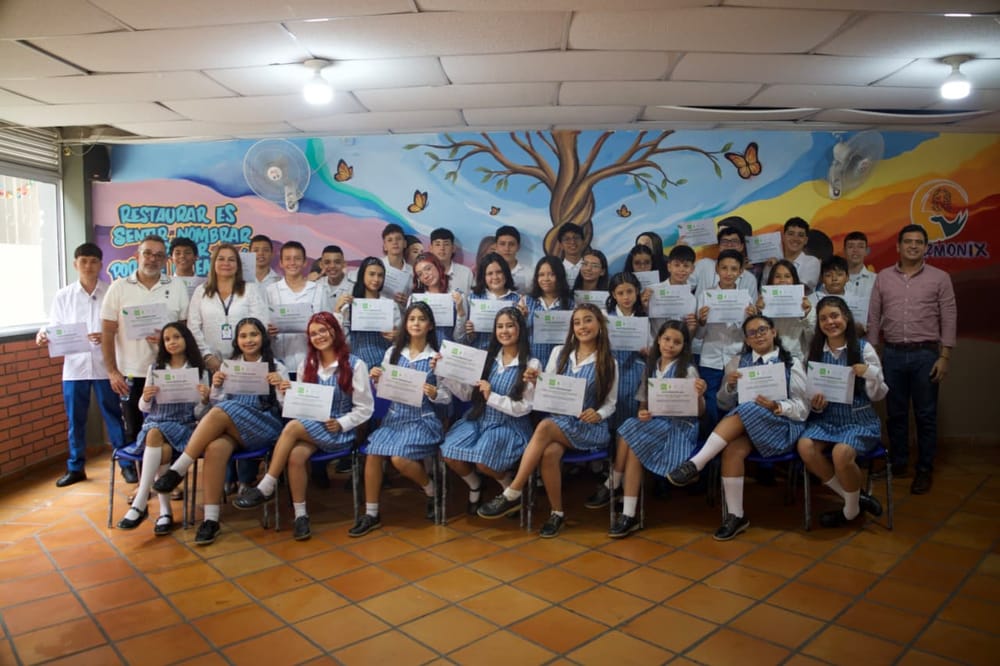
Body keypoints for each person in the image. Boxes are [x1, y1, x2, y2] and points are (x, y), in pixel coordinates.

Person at [478, 303, 619, 538]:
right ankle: (557, 513)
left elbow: (611, 403)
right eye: (577, 322)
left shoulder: (608, 362)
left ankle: (513, 492)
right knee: (549, 453)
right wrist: (536, 380)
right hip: (561, 422)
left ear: (600, 325)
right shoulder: (559, 353)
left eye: (588, 320)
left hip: (588, 426)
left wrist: (599, 414)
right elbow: (548, 389)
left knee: (544, 426)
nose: (582, 326)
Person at [667, 314, 809, 541]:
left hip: (781, 427)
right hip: (749, 429)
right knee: (732, 449)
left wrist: (777, 406)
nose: (758, 336)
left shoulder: (792, 363)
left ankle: (697, 463)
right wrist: (730, 387)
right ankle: (736, 515)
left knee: (748, 407)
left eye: (762, 330)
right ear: (746, 339)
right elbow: (724, 404)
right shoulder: (737, 362)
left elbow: (803, 407)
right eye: (752, 333)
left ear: (773, 332)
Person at [234, 312, 374, 540]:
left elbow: (365, 408)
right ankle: (301, 516)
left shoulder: (356, 365)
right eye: (313, 333)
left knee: (292, 428)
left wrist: (341, 423)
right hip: (312, 426)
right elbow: (300, 406)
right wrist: (285, 392)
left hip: (338, 430)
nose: (319, 336)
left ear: (335, 331)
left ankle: (267, 484)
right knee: (295, 456)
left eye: (323, 330)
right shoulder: (306, 364)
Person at [152, 317, 289, 545]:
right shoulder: (229, 366)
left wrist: (280, 387)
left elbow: (286, 409)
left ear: (263, 337)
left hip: (264, 425)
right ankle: (211, 519)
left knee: (223, 411)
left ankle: (180, 467)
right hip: (233, 426)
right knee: (215, 447)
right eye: (243, 336)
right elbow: (216, 403)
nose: (248, 340)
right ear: (236, 340)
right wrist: (216, 386)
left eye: (254, 334)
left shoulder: (277, 366)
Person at [587, 321, 706, 537]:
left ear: (684, 346)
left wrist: (699, 395)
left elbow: (698, 413)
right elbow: (643, 403)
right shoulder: (651, 366)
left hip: (679, 428)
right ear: (658, 340)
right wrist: (643, 412)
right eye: (666, 339)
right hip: (655, 424)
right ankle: (628, 514)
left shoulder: (687, 370)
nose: (670, 345)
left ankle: (614, 481)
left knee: (629, 429)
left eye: (677, 342)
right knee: (634, 443)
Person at [349, 302, 452, 537]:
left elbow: (447, 397)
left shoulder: (437, 357)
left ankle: (431, 490)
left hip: (423, 420)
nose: (416, 323)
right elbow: (385, 390)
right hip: (394, 418)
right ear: (405, 324)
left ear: (430, 325)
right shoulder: (393, 353)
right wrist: (377, 379)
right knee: (373, 452)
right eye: (412, 319)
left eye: (421, 319)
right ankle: (371, 513)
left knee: (399, 458)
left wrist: (435, 393)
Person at [868, 224, 957, 495]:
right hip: (892, 354)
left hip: (926, 355)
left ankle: (924, 469)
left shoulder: (940, 278)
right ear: (898, 246)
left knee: (925, 415)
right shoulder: (883, 277)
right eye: (908, 241)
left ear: (926, 247)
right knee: (895, 414)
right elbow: (874, 316)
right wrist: (872, 354)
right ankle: (898, 463)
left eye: (919, 242)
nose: (913, 246)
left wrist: (944, 356)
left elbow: (949, 316)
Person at [101, 234, 190, 484]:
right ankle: (143, 485)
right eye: (147, 253)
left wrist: (167, 337)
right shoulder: (119, 287)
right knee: (134, 429)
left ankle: (168, 483)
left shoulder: (176, 286)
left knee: (170, 429)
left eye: (159, 255)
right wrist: (112, 371)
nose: (152, 259)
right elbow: (107, 331)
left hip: (168, 372)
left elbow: (184, 328)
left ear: (165, 260)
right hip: (131, 373)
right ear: (137, 255)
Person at [37, 243, 126, 487]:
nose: (88, 266)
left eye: (93, 261)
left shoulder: (111, 292)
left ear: (101, 264)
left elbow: (122, 326)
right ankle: (75, 467)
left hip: (105, 366)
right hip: (74, 368)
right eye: (83, 261)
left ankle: (126, 464)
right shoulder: (63, 295)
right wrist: (44, 333)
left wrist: (106, 335)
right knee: (75, 419)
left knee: (114, 415)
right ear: (75, 264)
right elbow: (54, 325)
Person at [438, 307, 540, 514]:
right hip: (480, 419)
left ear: (520, 329)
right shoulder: (486, 358)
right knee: (448, 451)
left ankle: (510, 490)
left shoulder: (532, 363)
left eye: (510, 326)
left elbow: (524, 407)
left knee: (484, 460)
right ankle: (475, 484)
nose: (504, 331)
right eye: (500, 326)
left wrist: (491, 396)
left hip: (510, 424)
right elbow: (467, 395)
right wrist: (443, 372)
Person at [798, 297, 888, 527]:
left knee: (841, 454)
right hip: (826, 418)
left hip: (858, 419)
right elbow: (810, 394)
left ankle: (849, 510)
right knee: (805, 447)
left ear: (845, 317)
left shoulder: (863, 348)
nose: (830, 322)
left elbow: (879, 394)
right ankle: (856, 499)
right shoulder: (814, 351)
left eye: (835, 316)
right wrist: (816, 403)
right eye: (823, 318)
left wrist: (869, 373)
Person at [116, 322, 210, 534]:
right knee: (158, 441)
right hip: (156, 421)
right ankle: (164, 512)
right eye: (167, 339)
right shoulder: (155, 369)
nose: (172, 342)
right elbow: (144, 408)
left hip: (183, 425)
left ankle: (142, 503)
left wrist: (205, 400)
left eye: (176, 337)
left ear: (186, 339)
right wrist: (145, 397)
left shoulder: (199, 371)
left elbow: (199, 415)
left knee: (156, 436)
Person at [694, 249, 756, 425]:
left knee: (733, 400)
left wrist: (751, 318)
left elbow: (748, 334)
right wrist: (702, 321)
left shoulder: (745, 297)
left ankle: (727, 436)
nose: (729, 273)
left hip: (736, 357)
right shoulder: (705, 296)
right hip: (710, 357)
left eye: (734, 269)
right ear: (717, 269)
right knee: (710, 403)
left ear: (741, 271)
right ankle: (711, 437)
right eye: (724, 268)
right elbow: (699, 336)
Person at [188, 244, 267, 374]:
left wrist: (243, 357)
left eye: (231, 259)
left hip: (245, 362)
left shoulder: (250, 290)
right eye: (221, 259)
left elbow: (261, 324)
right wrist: (207, 356)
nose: (226, 263)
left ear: (238, 265)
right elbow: (193, 327)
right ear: (213, 263)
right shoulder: (201, 291)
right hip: (210, 364)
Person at [605, 272, 649, 431]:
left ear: (637, 291)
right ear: (613, 295)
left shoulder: (644, 318)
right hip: (610, 370)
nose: (626, 297)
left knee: (630, 417)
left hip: (636, 372)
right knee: (609, 412)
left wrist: (648, 352)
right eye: (620, 293)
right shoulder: (605, 317)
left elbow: (653, 347)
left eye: (629, 291)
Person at [265, 241, 316, 374]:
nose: (292, 263)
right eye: (287, 259)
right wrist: (267, 330)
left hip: (313, 362)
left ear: (305, 262)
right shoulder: (270, 291)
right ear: (281, 263)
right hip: (280, 363)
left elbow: (329, 325)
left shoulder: (318, 290)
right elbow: (263, 325)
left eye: (297, 258)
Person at [340, 257, 399, 371]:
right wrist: (338, 309)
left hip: (385, 364)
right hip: (357, 365)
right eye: (371, 274)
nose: (376, 279)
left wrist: (396, 336)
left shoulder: (390, 305)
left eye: (380, 275)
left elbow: (399, 337)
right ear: (362, 275)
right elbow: (343, 338)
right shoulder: (351, 305)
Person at [520, 256, 574, 366]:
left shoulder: (571, 305)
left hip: (559, 364)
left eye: (551, 274)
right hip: (530, 363)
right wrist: (521, 319)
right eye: (541, 275)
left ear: (560, 276)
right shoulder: (526, 301)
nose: (546, 279)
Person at [756, 259, 814, 360]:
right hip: (768, 356)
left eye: (787, 276)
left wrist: (806, 316)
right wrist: (759, 313)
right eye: (777, 276)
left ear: (794, 280)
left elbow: (812, 338)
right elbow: (756, 335)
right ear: (771, 280)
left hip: (795, 358)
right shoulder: (762, 303)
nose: (782, 280)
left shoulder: (806, 304)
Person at [463, 252, 518, 349]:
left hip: (507, 354)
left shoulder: (517, 300)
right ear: (483, 277)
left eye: (499, 272)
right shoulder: (472, 299)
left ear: (506, 273)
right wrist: (469, 333)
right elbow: (463, 337)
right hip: (480, 353)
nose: (495, 277)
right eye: (490, 273)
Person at [411, 252, 467, 344]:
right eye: (420, 274)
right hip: (424, 350)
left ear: (438, 266)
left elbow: (460, 338)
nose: (425, 276)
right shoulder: (415, 299)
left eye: (428, 269)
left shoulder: (457, 296)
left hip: (448, 350)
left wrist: (460, 310)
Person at [689, 226, 759, 296]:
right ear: (719, 246)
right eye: (724, 241)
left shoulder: (750, 279)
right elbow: (684, 287)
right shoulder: (704, 264)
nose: (729, 245)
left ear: (741, 246)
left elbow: (753, 302)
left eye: (734, 241)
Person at [763, 217, 821, 293]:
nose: (795, 239)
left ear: (806, 240)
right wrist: (770, 267)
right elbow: (764, 290)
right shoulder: (772, 262)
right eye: (791, 234)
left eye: (800, 235)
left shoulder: (812, 262)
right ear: (783, 237)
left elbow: (801, 290)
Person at [429, 228, 474, 296]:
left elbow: (475, 299)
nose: (442, 248)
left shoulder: (466, 273)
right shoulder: (424, 273)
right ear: (431, 248)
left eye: (446, 244)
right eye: (438, 244)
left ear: (453, 248)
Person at [312, 245, 354, 315]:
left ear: (344, 264)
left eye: (337, 262)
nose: (332, 266)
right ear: (321, 265)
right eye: (327, 262)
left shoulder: (354, 287)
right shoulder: (315, 286)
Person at [381, 223, 413, 307]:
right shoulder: (375, 266)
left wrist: (408, 302)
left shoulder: (413, 272)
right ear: (385, 246)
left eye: (398, 239)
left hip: (402, 313)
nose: (395, 242)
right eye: (390, 240)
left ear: (405, 243)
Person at [495, 225, 530, 293]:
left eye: (511, 244)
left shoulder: (529, 273)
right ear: (496, 246)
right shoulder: (488, 272)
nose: (507, 249)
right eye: (502, 244)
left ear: (518, 247)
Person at [843, 231, 875, 299]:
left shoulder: (876, 280)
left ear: (866, 251)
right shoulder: (834, 280)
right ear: (844, 251)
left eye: (860, 247)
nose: (855, 250)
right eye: (850, 246)